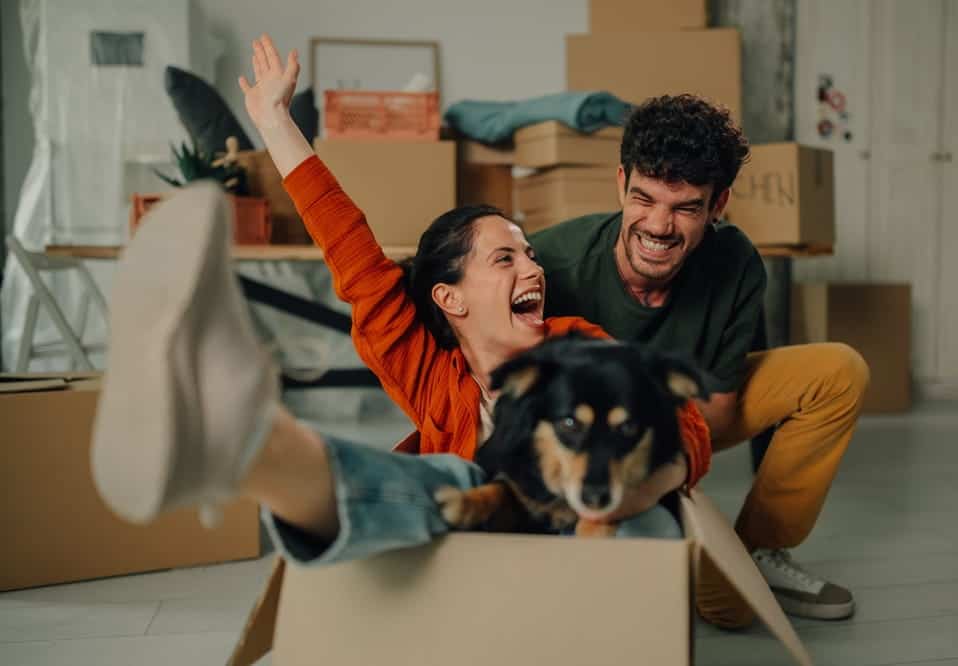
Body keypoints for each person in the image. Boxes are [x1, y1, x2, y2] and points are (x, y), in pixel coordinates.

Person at [90, 36, 710, 578]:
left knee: (612, 517)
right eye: (505, 259)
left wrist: (618, 496)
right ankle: (239, 449)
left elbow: (686, 427)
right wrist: (276, 123)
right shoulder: (429, 373)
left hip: (589, 551)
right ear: (449, 299)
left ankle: (240, 437)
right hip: (472, 553)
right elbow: (353, 255)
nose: (533, 268)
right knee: (450, 483)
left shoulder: (579, 348)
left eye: (529, 255)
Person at [529, 94, 870, 625]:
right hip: (578, 444)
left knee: (838, 372)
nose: (659, 227)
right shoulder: (549, 263)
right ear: (621, 183)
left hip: (679, 431)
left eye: (685, 207)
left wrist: (656, 480)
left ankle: (757, 552)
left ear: (718, 204)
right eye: (644, 199)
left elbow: (717, 412)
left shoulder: (734, 262)